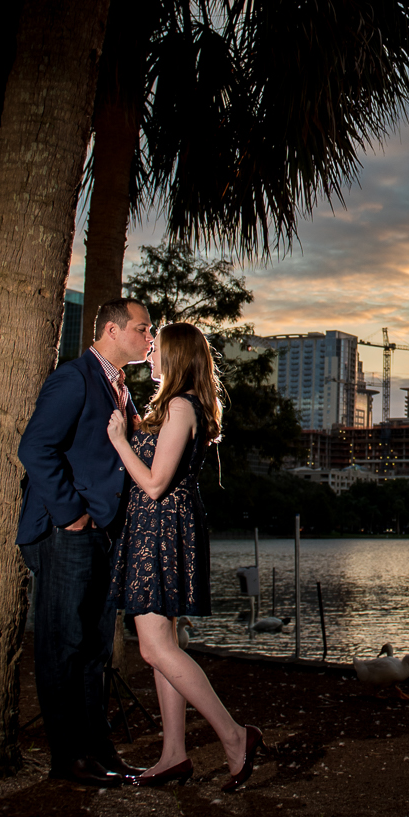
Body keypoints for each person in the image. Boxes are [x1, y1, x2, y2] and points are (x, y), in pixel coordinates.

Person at [106, 321, 263, 791]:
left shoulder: (179, 406)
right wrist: (132, 427)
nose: (149, 355)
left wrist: (118, 441)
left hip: (160, 527)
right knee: (163, 647)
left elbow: (153, 484)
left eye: (155, 350)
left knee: (155, 647)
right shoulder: (178, 406)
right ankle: (174, 754)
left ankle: (235, 737)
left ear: (175, 357)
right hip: (163, 527)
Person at [16, 297, 154, 785]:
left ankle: (100, 752)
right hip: (65, 535)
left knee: (95, 647)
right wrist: (71, 515)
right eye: (142, 328)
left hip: (104, 533)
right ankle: (68, 759)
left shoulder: (119, 386)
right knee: (64, 645)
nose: (149, 337)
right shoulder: (74, 378)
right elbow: (34, 447)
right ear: (112, 330)